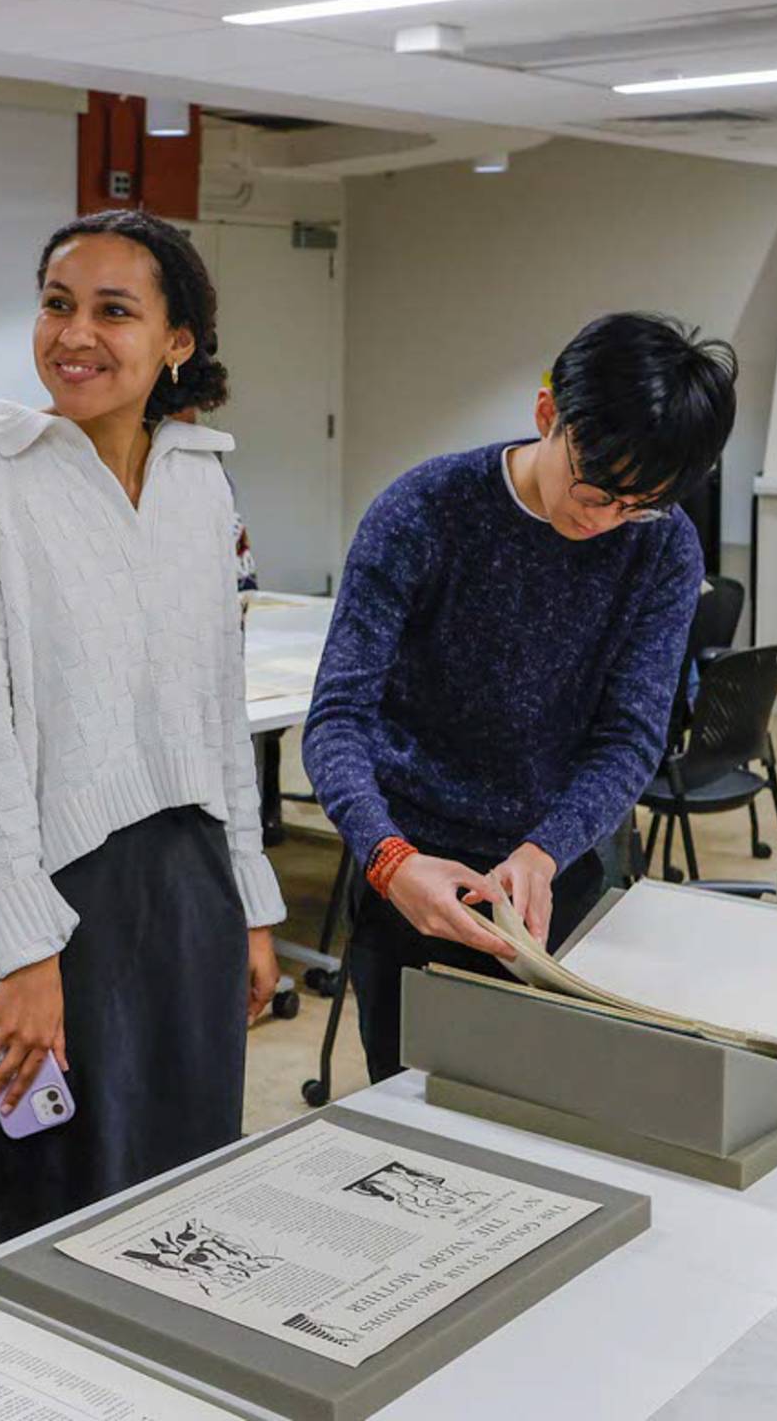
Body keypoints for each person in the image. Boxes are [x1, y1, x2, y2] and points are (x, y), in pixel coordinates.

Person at [0, 208, 287, 1263]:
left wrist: (251, 904)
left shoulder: (200, 478)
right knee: (53, 1198)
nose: (75, 334)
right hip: (56, 899)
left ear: (177, 343)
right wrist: (22, 948)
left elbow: (218, 706)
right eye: (58, 305)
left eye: (115, 311)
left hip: (192, 884)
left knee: (186, 1189)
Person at [302, 312, 737, 1084]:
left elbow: (631, 734)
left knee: (563, 1107)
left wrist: (545, 849)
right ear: (548, 416)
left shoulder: (662, 542)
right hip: (410, 871)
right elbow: (338, 721)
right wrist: (389, 855)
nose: (605, 519)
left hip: (558, 868)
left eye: (638, 502)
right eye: (597, 488)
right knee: (415, 1120)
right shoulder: (424, 512)